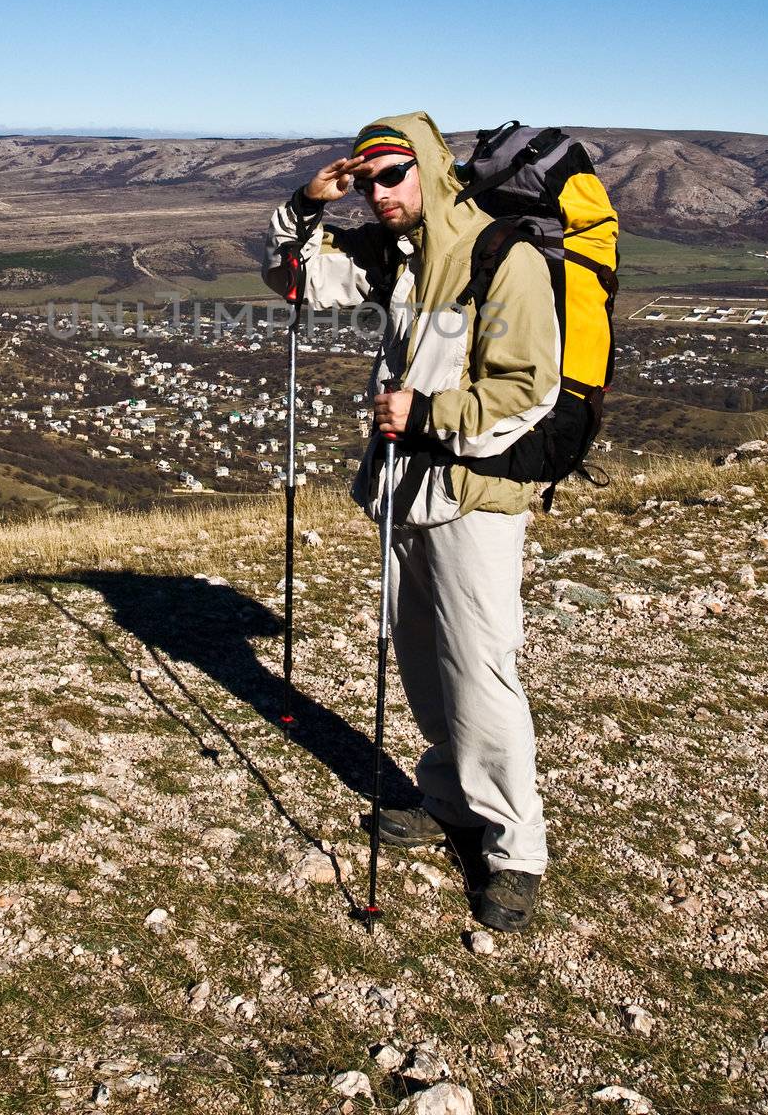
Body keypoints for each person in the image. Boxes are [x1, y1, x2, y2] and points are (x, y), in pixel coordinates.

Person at [262, 112, 561, 932]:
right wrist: (307, 204)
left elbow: (528, 387)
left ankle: (513, 846)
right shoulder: (395, 256)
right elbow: (294, 282)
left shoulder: (503, 257)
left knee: (480, 665)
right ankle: (447, 797)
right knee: (420, 651)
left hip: (474, 488)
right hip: (404, 486)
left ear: (429, 168)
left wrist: (427, 411)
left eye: (393, 174)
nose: (381, 192)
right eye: (367, 179)